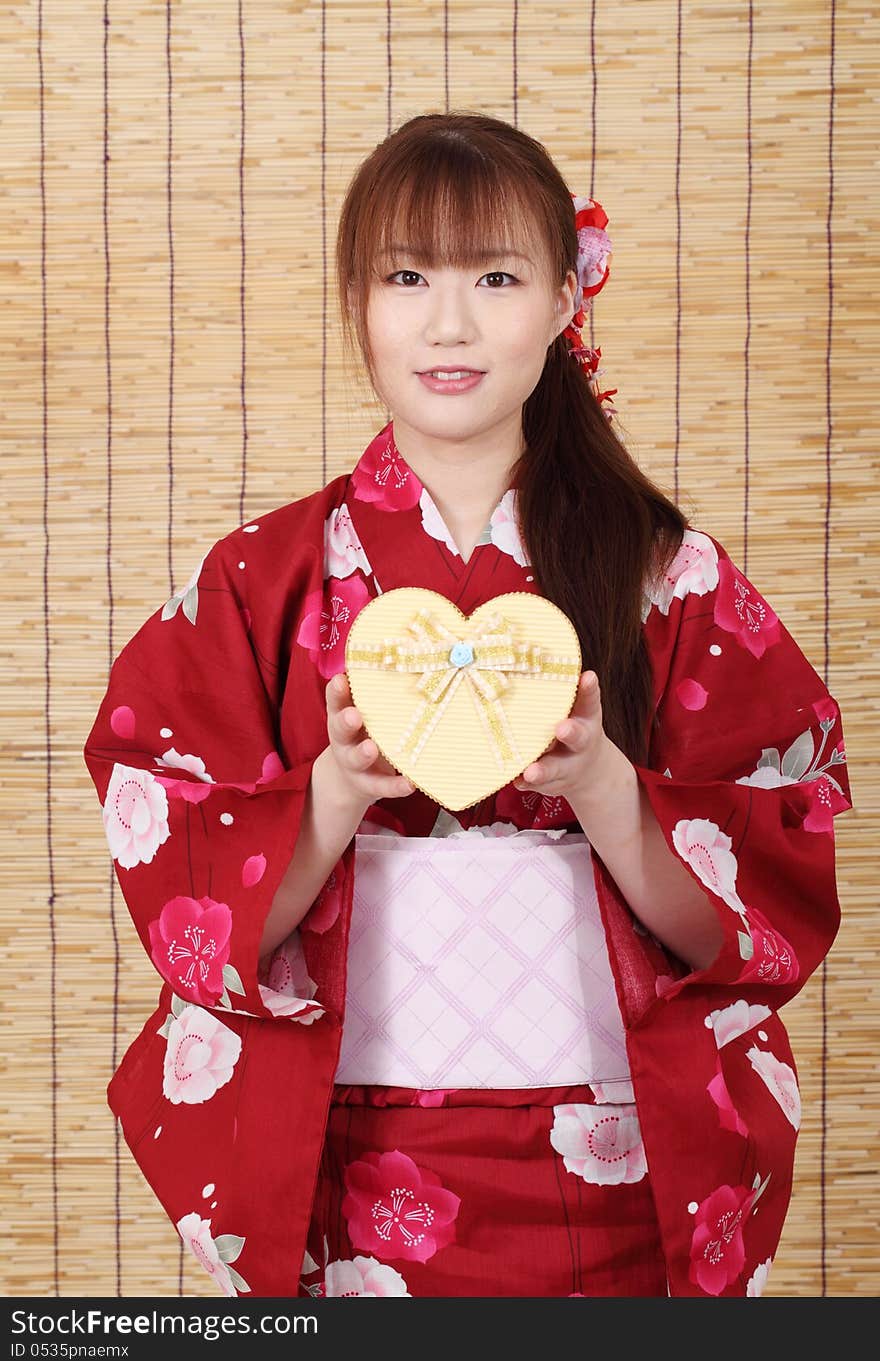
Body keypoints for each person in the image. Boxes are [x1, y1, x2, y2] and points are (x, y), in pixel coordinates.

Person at [83, 111, 853, 1299]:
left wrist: (606, 786)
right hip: (352, 1159)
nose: (449, 322)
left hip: (617, 1155)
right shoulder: (258, 580)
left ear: (563, 299)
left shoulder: (669, 576)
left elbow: (761, 912)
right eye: (407, 277)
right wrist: (331, 793)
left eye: (496, 275)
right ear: (359, 302)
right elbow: (181, 871)